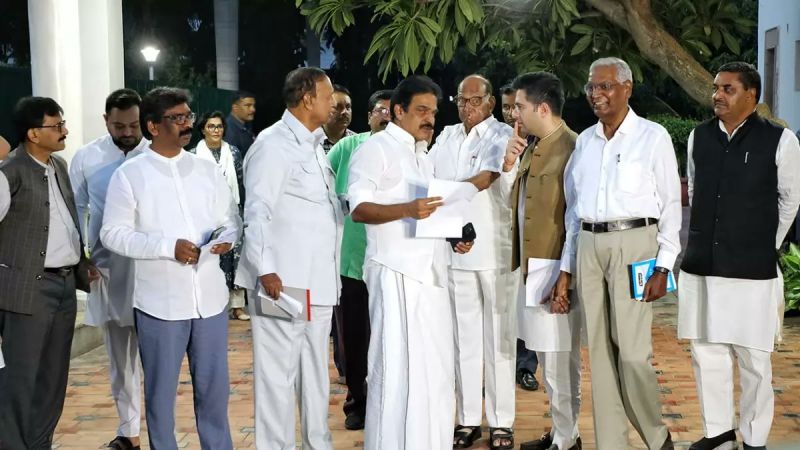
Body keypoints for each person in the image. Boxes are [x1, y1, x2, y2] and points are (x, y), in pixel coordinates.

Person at [101, 87, 239, 450]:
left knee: (214, 393)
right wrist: (167, 248)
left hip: (209, 299)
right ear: (152, 126)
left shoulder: (205, 170)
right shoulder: (130, 175)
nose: (186, 124)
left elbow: (230, 219)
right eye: (176, 118)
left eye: (187, 116)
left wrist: (227, 239)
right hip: (160, 303)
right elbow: (112, 234)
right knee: (161, 397)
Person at [348, 75, 476, 449]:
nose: (429, 119)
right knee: (395, 372)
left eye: (434, 112)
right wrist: (407, 209)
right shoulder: (377, 149)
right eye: (421, 110)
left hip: (431, 275)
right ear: (398, 111)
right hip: (395, 274)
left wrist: (455, 236)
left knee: (432, 373)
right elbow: (358, 208)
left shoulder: (422, 156)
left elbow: (430, 215)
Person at [678, 62, 800, 450]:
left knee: (754, 360)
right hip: (702, 265)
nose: (717, 95)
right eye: (716, 88)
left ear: (752, 95)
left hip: (752, 271)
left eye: (727, 89)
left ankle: (753, 438)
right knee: (706, 351)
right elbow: (695, 191)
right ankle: (717, 434)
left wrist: (766, 244)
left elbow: (790, 200)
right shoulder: (699, 137)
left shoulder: (781, 140)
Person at [561, 57, 681, 450]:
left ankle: (656, 435)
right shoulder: (585, 141)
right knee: (598, 351)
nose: (597, 94)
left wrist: (664, 265)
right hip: (590, 246)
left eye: (606, 86)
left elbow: (670, 206)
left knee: (631, 352)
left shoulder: (653, 136)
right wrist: (568, 266)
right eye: (592, 88)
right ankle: (612, 443)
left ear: (627, 88)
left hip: (636, 246)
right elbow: (573, 211)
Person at [235, 67, 343, 450]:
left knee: (315, 372)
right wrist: (265, 270)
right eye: (328, 95)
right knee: (277, 376)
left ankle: (318, 443)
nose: (333, 102)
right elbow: (257, 212)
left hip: (318, 280)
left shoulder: (314, 146)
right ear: (307, 98)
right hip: (282, 282)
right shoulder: (273, 144)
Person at [428, 74, 516, 449]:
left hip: (494, 251)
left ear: (491, 102)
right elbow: (428, 178)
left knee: (498, 339)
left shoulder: (502, 134)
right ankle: (467, 419)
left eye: (474, 100)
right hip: (456, 251)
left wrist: (455, 192)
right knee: (463, 340)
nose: (467, 107)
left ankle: (502, 421)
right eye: (461, 100)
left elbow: (491, 175)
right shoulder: (447, 136)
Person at [0, 96, 91, 449]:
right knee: (21, 379)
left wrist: (83, 266)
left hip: (66, 286)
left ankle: (40, 444)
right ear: (33, 133)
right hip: (27, 290)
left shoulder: (59, 165)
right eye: (57, 126)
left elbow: (66, 224)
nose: (64, 130)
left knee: (53, 377)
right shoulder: (10, 173)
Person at [500, 72, 583, 450]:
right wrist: (510, 162)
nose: (514, 112)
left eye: (519, 106)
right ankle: (562, 432)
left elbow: (575, 220)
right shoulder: (532, 145)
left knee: (560, 364)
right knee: (549, 362)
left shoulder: (572, 148)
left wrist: (564, 276)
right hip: (532, 269)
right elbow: (514, 205)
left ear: (542, 108)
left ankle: (566, 441)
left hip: (553, 269)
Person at [69, 88, 149, 450]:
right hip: (108, 269)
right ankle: (128, 431)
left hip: (153, 271)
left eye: (133, 124)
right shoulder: (87, 157)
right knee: (120, 360)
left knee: (158, 359)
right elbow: (74, 212)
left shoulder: (156, 153)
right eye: (119, 126)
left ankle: (160, 430)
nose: (128, 132)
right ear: (106, 121)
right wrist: (80, 260)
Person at [327, 88, 393, 431]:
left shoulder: (408, 151)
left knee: (389, 337)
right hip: (352, 259)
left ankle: (388, 402)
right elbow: (323, 189)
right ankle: (357, 402)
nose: (385, 116)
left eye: (390, 110)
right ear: (369, 116)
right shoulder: (348, 148)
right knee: (354, 339)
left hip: (391, 261)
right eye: (379, 110)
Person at [191, 111, 249, 321]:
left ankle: (237, 307)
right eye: (211, 126)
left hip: (231, 210)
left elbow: (241, 182)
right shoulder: (193, 155)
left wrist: (241, 211)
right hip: (204, 213)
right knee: (211, 255)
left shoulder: (233, 152)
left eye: (219, 126)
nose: (216, 130)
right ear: (203, 130)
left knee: (235, 258)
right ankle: (213, 304)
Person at [501, 82, 540, 392]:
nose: (511, 113)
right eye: (506, 107)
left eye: (516, 107)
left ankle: (525, 366)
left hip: (529, 242)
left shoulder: (540, 143)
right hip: (496, 242)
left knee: (527, 308)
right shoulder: (493, 144)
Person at [322, 84, 356, 154]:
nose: (344, 112)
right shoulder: (311, 140)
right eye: (338, 107)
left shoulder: (357, 142)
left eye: (348, 107)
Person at [224, 90, 256, 156]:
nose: (253, 109)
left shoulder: (245, 124)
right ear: (235, 108)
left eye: (253, 105)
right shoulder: (229, 131)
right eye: (248, 105)